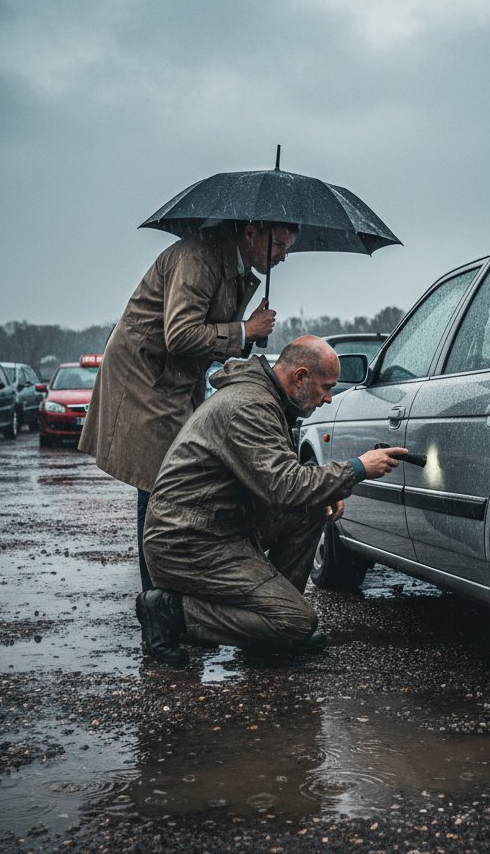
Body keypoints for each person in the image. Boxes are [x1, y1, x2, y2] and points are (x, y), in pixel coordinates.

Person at [137, 335, 409, 666]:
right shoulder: (250, 407)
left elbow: (279, 482)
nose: (327, 399)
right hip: (186, 542)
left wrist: (326, 491)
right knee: (297, 622)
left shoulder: (264, 398)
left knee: (311, 508)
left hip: (215, 525)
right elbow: (285, 486)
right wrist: (356, 469)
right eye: (326, 387)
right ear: (301, 377)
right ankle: (170, 611)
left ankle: (269, 630)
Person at [79, 220, 298, 591]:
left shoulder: (234, 266)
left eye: (287, 249)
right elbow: (180, 335)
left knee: (178, 481)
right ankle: (158, 609)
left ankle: (174, 596)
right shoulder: (198, 258)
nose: (281, 256)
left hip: (177, 384)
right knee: (159, 484)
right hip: (146, 382)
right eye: (277, 245)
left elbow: (210, 331)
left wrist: (246, 334)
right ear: (251, 232)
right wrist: (245, 330)